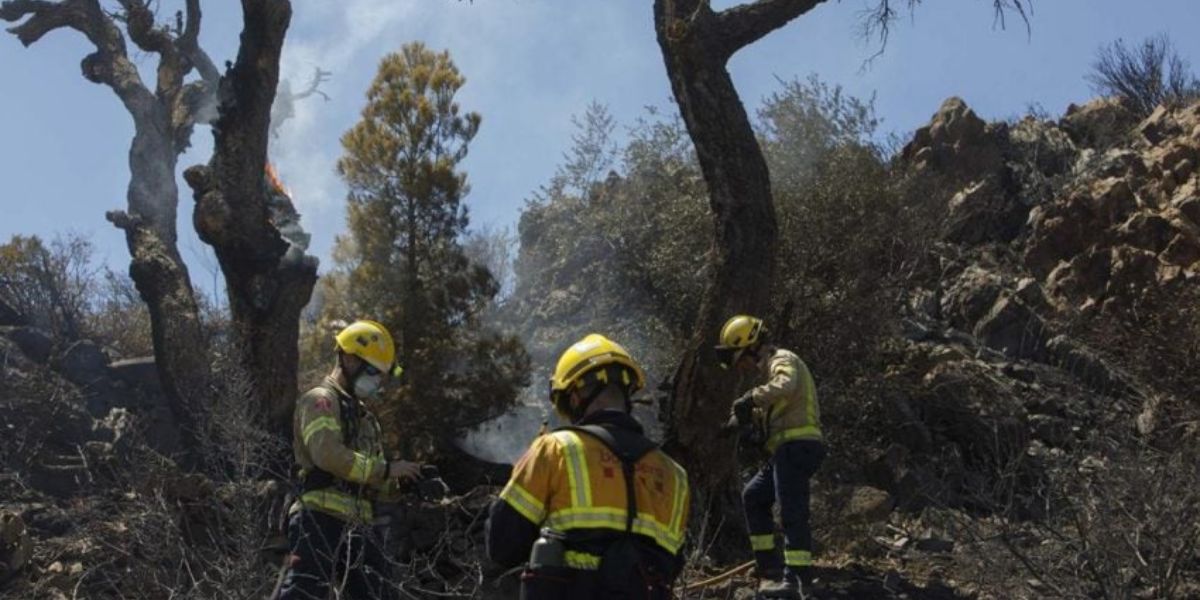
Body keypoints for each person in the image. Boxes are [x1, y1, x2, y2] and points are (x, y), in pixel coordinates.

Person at [486, 334, 691, 599]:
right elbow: (673, 564)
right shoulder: (675, 476)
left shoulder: (555, 449)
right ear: (627, 394)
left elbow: (502, 545)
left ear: (574, 397)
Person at [277, 320, 421, 600]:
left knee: (378, 595)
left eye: (381, 375)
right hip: (318, 517)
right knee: (304, 593)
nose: (377, 381)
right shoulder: (321, 401)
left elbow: (373, 477)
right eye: (373, 371)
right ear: (349, 359)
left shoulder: (365, 418)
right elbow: (328, 455)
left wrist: (402, 482)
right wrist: (387, 470)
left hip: (359, 525)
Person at [716, 315, 825, 599]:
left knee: (791, 510)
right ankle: (769, 567)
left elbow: (786, 384)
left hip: (797, 446)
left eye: (741, 359)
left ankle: (797, 579)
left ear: (752, 347)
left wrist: (750, 397)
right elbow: (769, 409)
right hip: (784, 450)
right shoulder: (770, 374)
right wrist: (736, 422)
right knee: (753, 496)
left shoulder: (782, 359)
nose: (742, 367)